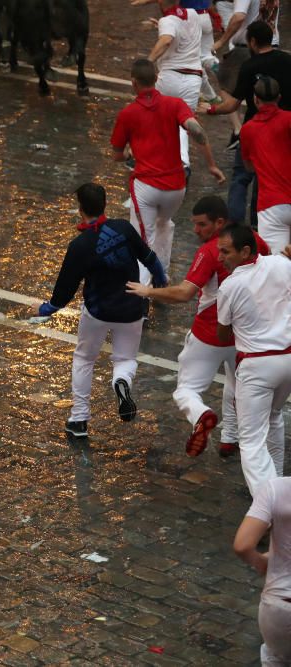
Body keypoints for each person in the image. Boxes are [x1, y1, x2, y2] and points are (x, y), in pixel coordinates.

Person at [127, 196, 269, 457]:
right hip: (245, 335)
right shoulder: (254, 241)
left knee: (186, 390)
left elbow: (184, 293)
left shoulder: (209, 252)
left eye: (202, 224)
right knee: (235, 385)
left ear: (219, 222)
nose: (196, 230)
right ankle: (230, 439)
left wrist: (148, 291)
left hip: (209, 334)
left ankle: (202, 415)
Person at [34, 183, 168, 438]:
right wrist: (160, 281)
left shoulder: (80, 246)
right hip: (132, 306)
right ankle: (122, 383)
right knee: (125, 359)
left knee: (84, 358)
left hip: (98, 311)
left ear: (80, 209)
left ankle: (79, 420)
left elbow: (64, 291)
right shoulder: (123, 228)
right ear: (104, 204)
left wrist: (45, 309)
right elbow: (149, 257)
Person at [111, 58, 224, 284]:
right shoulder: (175, 105)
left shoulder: (128, 114)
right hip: (176, 186)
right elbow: (196, 132)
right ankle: (162, 276)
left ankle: (141, 295)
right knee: (164, 224)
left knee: (143, 240)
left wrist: (128, 155)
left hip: (146, 185)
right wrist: (211, 164)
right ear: (156, 78)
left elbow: (116, 154)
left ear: (134, 83)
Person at [216, 224, 291, 496]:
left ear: (245, 251)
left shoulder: (230, 285)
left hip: (257, 366)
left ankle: (271, 506)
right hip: (287, 360)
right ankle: (279, 483)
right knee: (274, 418)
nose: (220, 257)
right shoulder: (281, 265)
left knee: (250, 442)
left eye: (226, 252)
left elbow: (222, 333)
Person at [202, 21, 291, 226]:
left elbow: (232, 104)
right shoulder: (288, 60)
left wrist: (211, 108)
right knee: (266, 177)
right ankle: (256, 222)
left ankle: (234, 224)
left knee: (241, 177)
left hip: (255, 128)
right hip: (283, 130)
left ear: (252, 41)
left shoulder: (250, 66)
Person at [233, 477, 291, 665]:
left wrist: (262, 563)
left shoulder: (277, 488)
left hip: (281, 606)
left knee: (276, 658)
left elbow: (243, 546)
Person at [145, 0, 206, 168]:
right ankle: (183, 162)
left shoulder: (168, 21)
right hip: (193, 80)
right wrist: (160, 25)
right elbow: (181, 30)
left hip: (170, 77)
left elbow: (166, 40)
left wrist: (148, 62)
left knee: (155, 119)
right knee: (183, 123)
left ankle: (147, 159)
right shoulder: (192, 14)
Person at [239, 77, 291, 251]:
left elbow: (248, 167)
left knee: (276, 265)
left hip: (271, 205)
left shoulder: (247, 129)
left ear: (255, 99)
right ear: (279, 97)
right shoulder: (289, 119)